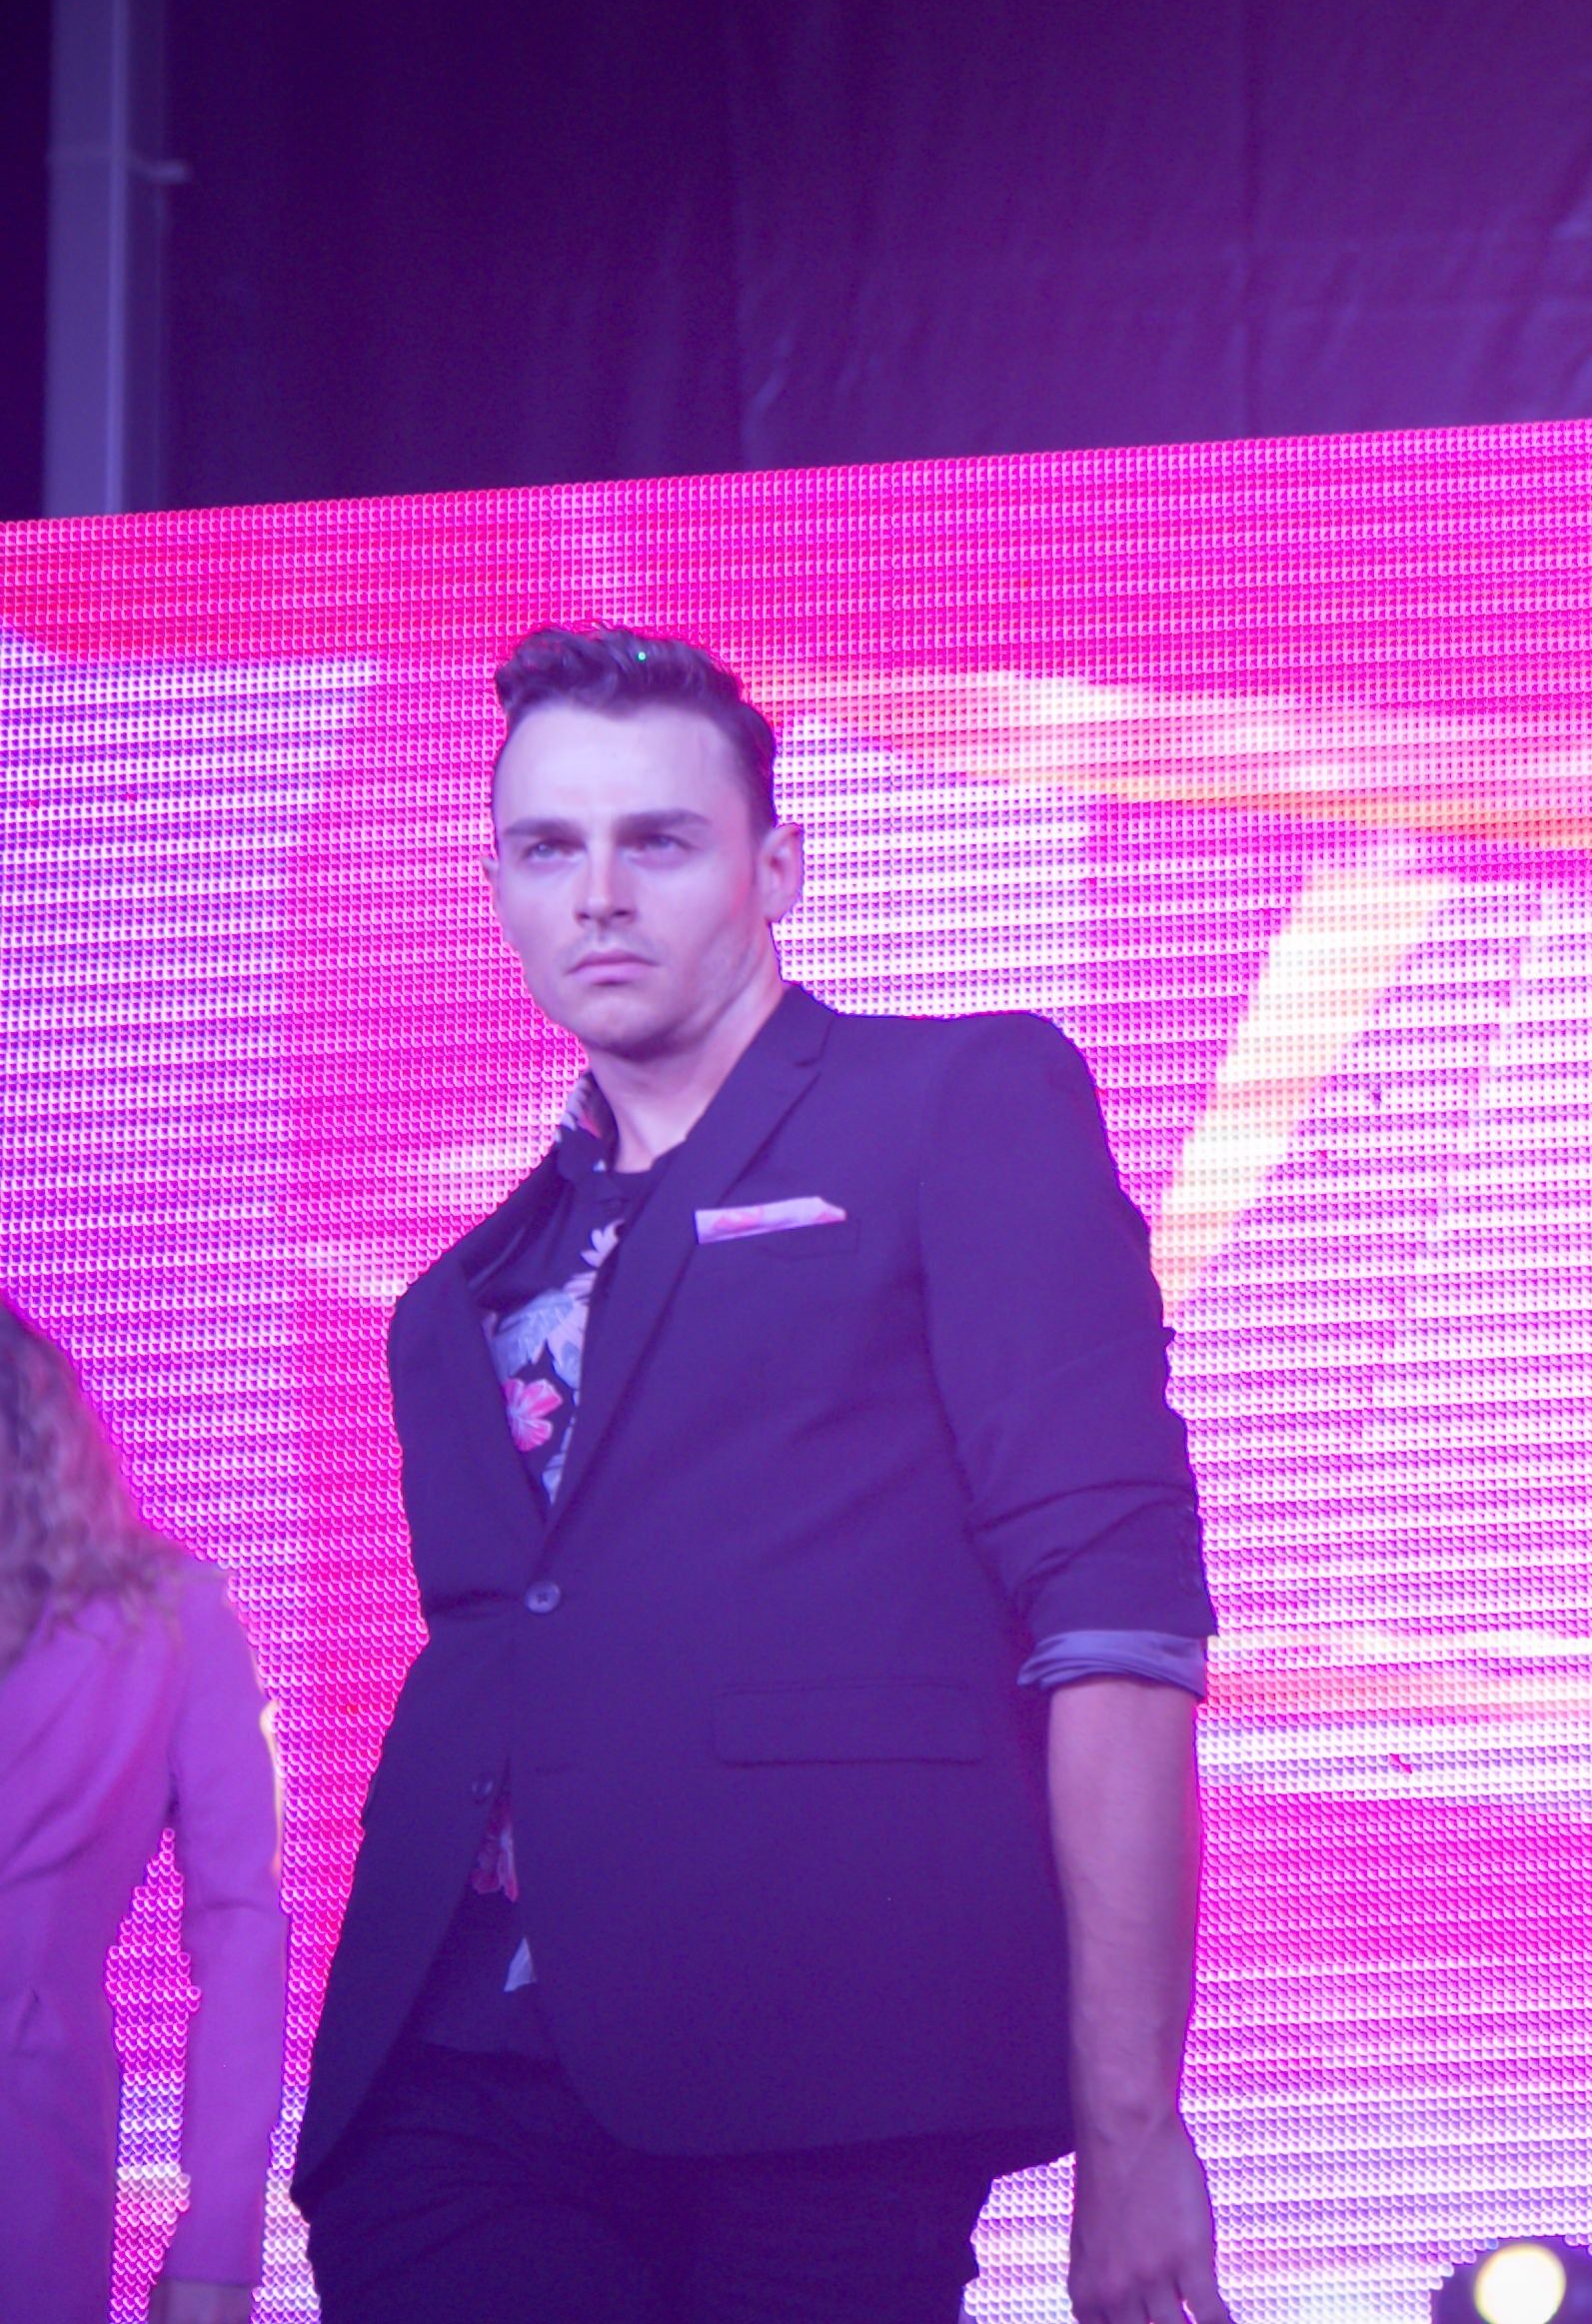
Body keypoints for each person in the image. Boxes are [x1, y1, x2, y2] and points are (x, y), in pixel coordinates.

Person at [294, 628, 1232, 2324]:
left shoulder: (957, 1100)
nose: (598, 895)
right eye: (546, 848)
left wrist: (1132, 2122)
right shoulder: (459, 1293)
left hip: (824, 2055)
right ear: (492, 885)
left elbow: (1113, 1613)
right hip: (452, 2069)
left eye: (657, 839)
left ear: (777, 866)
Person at [0, 1300, 289, 2324]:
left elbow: (242, 1927)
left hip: (26, 2163)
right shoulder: (170, 1618)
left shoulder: (172, 1620)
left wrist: (220, 2238)